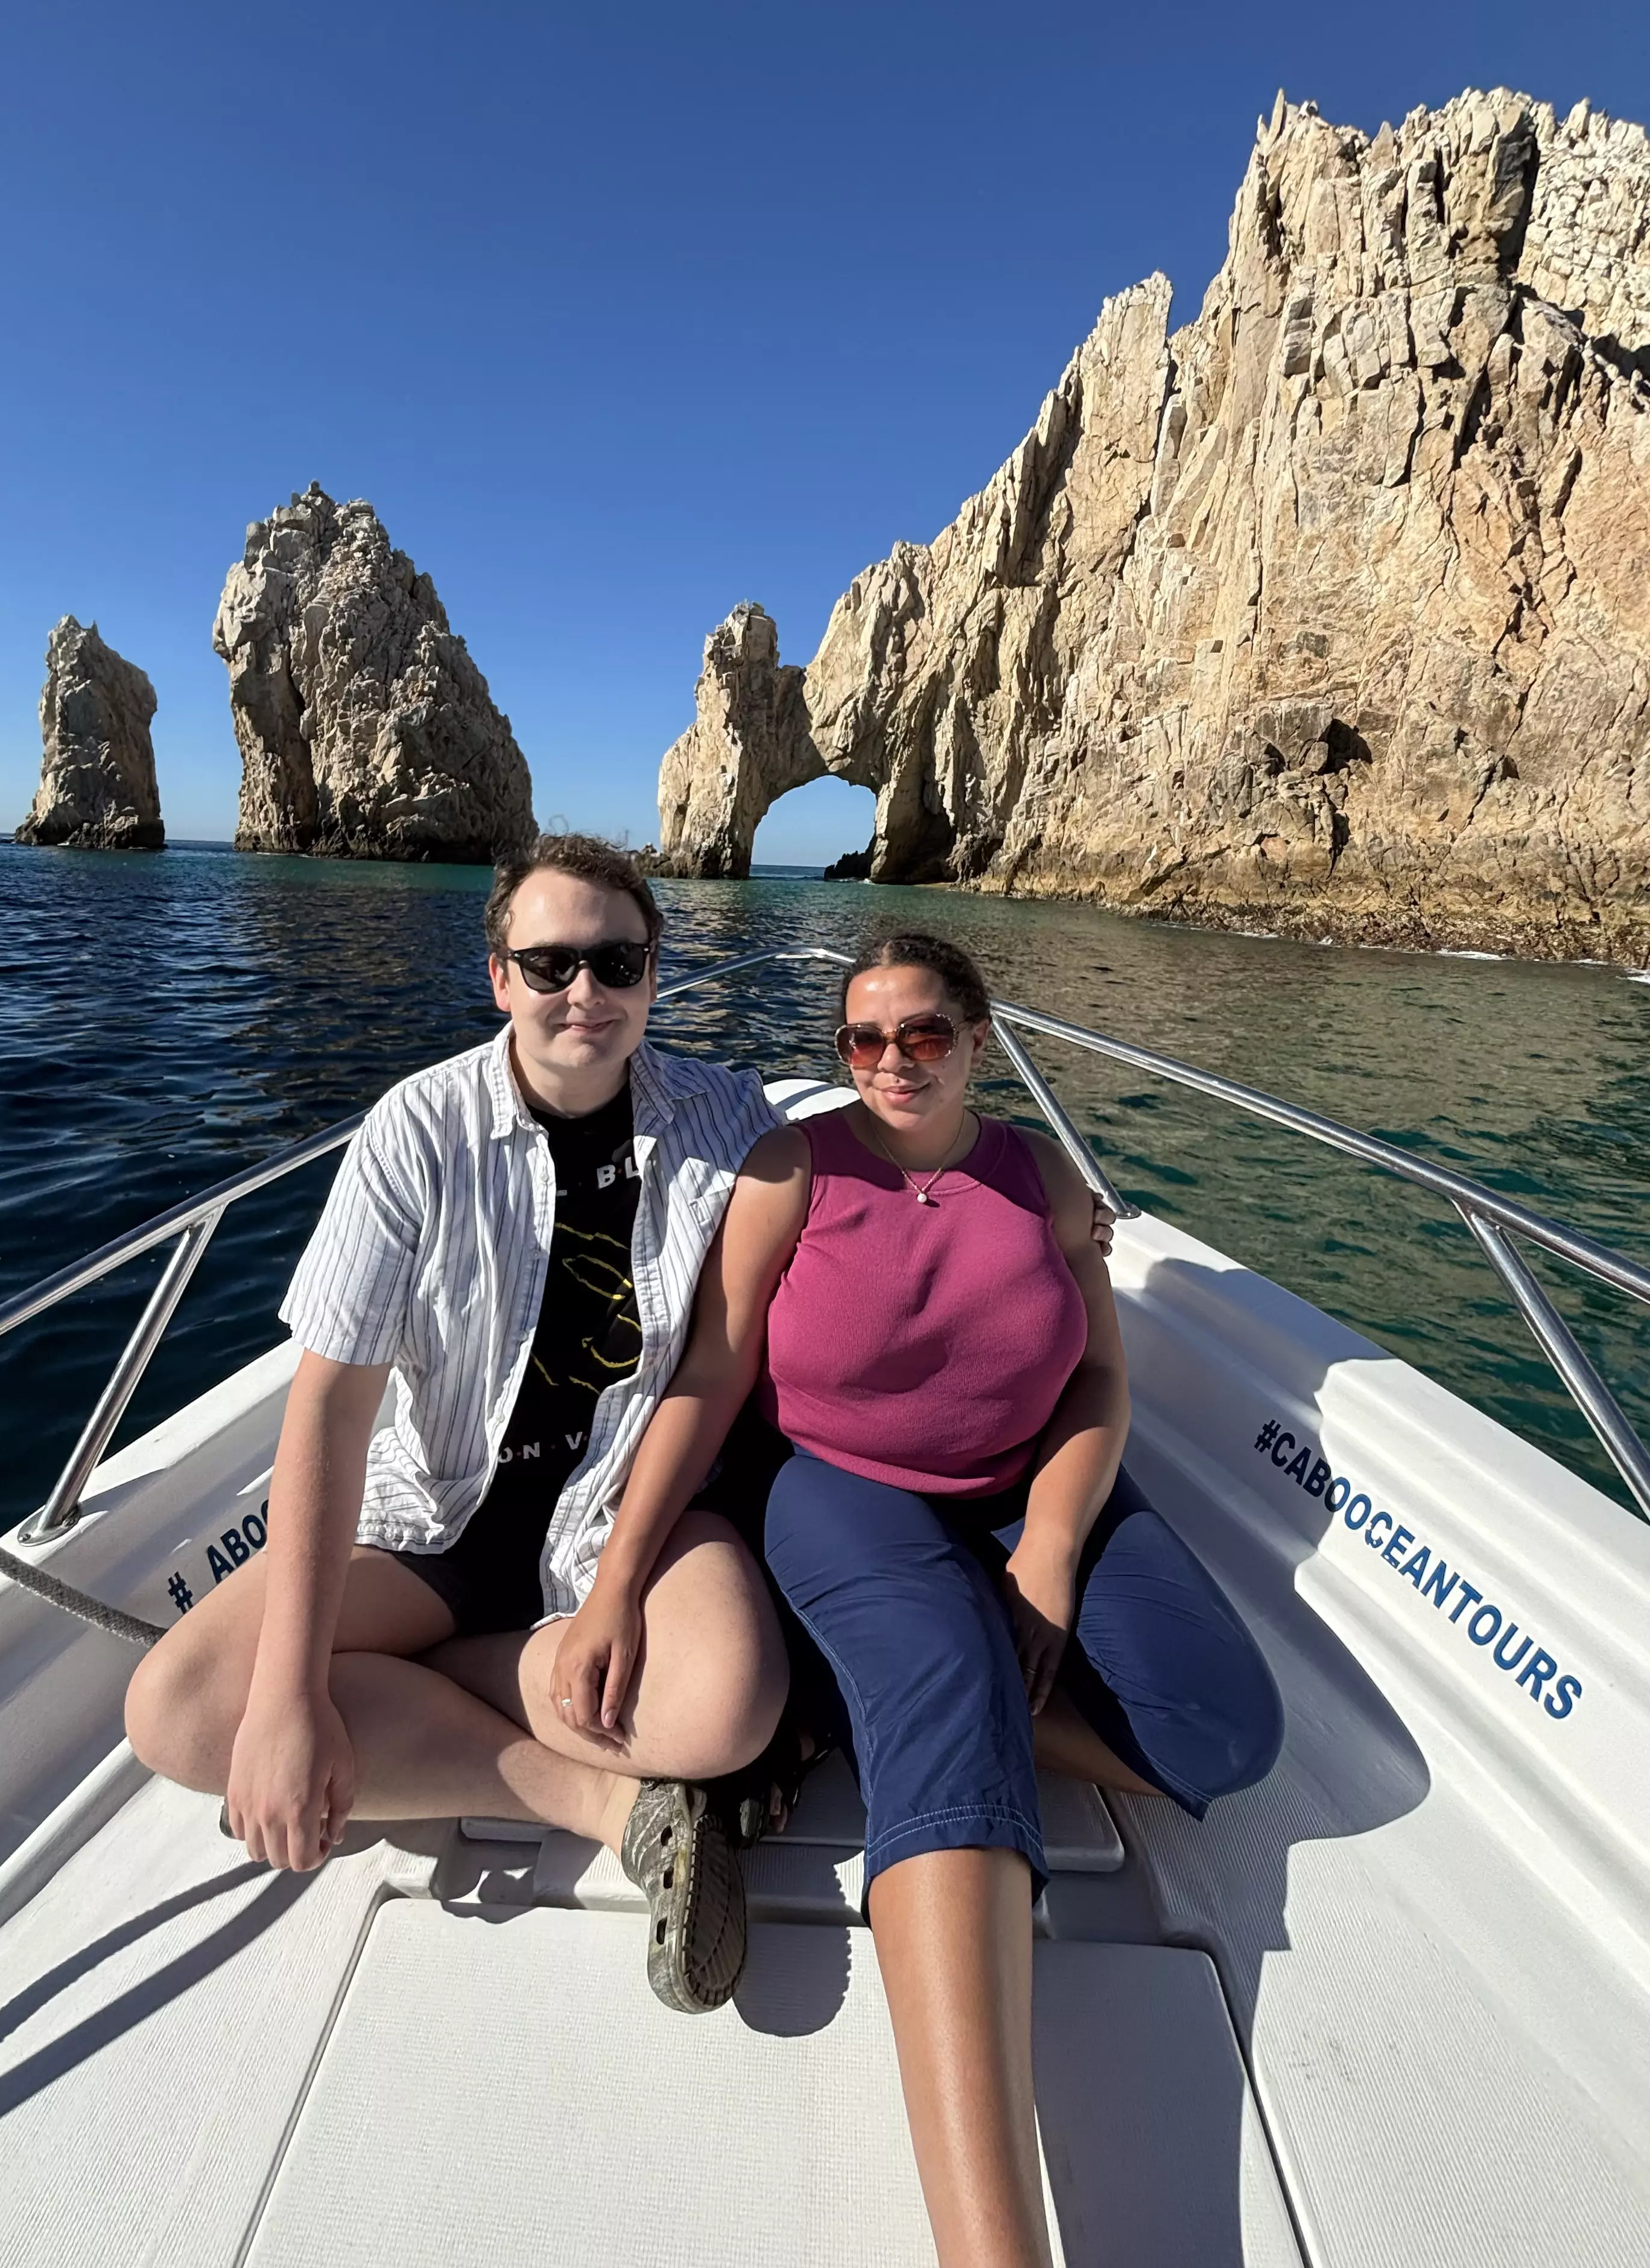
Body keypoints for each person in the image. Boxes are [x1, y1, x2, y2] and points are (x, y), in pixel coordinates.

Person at [556, 926, 1284, 2267]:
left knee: (1220, 1730)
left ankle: (840, 1697)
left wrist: (1049, 1546)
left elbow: (1098, 1381)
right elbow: (711, 1374)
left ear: (978, 1040)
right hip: (841, 1484)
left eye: (925, 1033)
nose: (893, 1060)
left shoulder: (1043, 1179)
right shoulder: (793, 1169)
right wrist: (616, 1579)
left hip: (1023, 1481)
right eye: (863, 1039)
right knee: (949, 1688)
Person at [124, 834, 790, 2015]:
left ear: (654, 971)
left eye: (617, 962)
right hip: (438, 1520)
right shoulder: (416, 1132)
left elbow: (866, 1157)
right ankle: (611, 1806)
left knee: (731, 1706)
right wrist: (288, 1700)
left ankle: (415, 1686)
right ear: (499, 978)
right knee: (181, 1714)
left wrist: (1047, 1202)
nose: (584, 992)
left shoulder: (726, 1117)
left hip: (617, 1519)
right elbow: (331, 1406)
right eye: (549, 964)